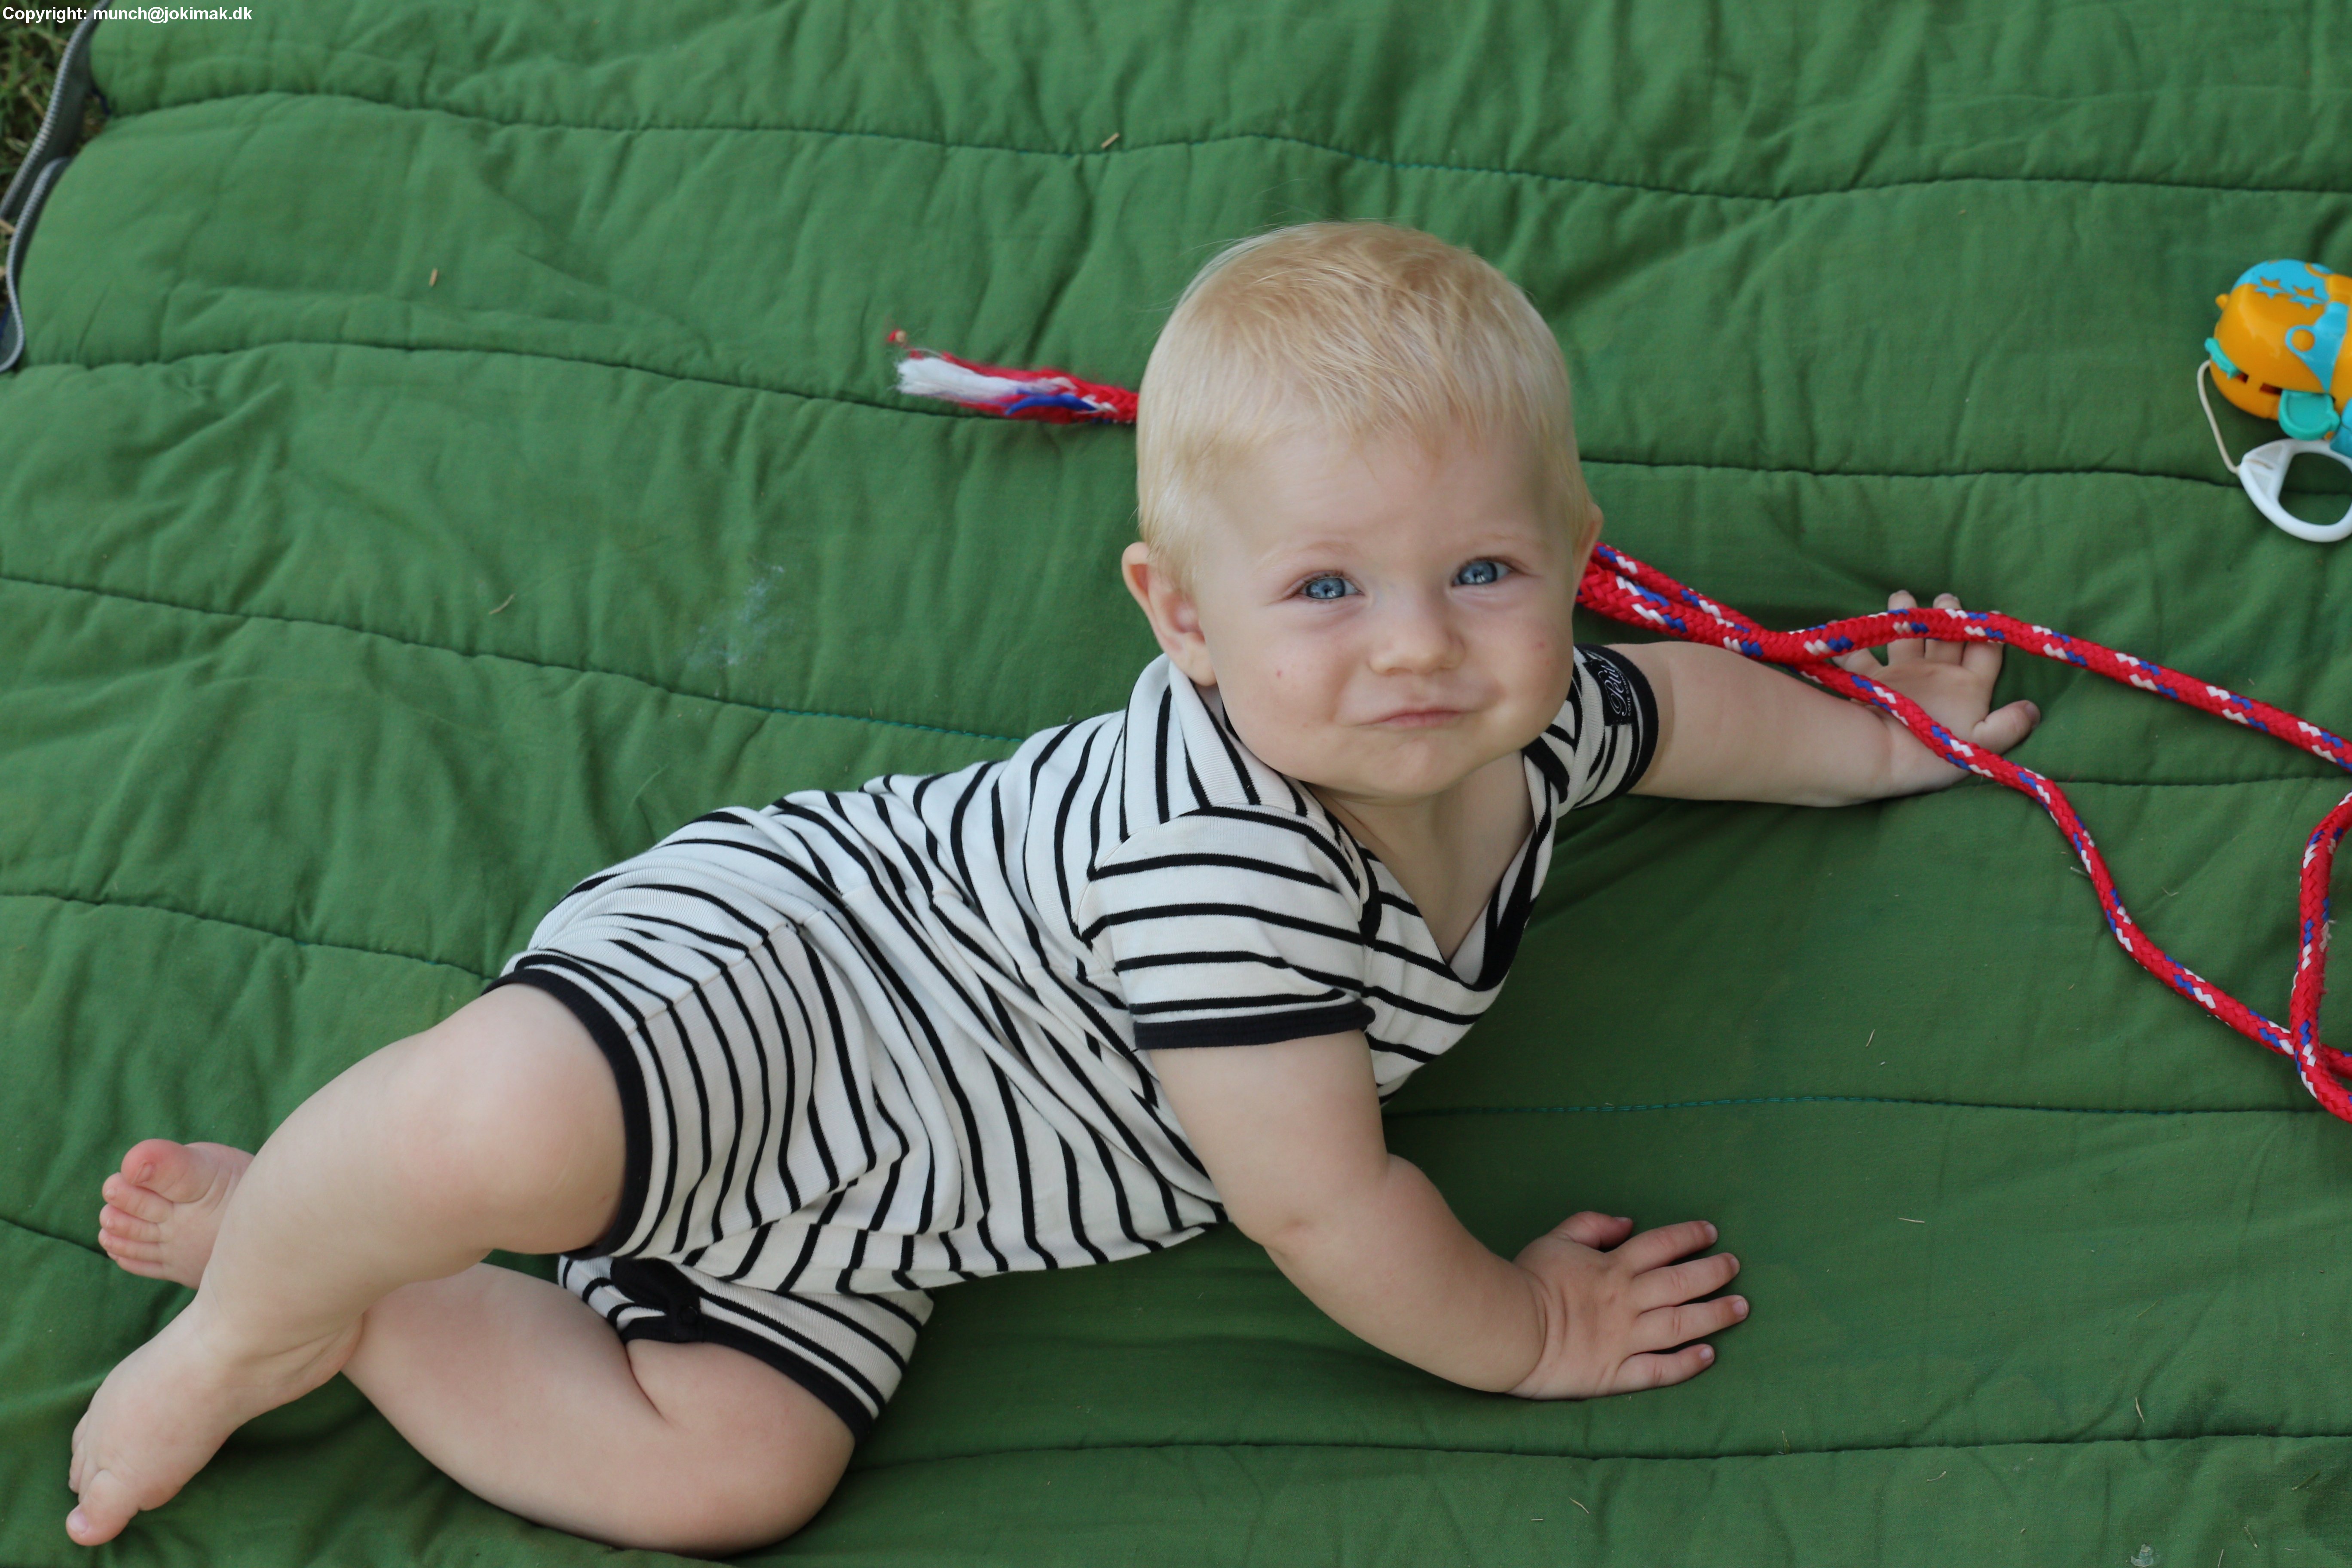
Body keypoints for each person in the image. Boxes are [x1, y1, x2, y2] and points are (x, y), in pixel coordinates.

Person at [67, 221, 2039, 1554]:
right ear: (1182, 618)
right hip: (808, 988)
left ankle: (338, 1284)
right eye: (1325, 589)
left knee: (731, 1481)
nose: (1417, 647)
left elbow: (1676, 715)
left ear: (1570, 552)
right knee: (501, 1119)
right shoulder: (1228, 877)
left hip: (895, 1205)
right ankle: (248, 1324)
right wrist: (1524, 1331)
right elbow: (1323, 1204)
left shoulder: (1514, 731)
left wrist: (1873, 736)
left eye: (1484, 574)